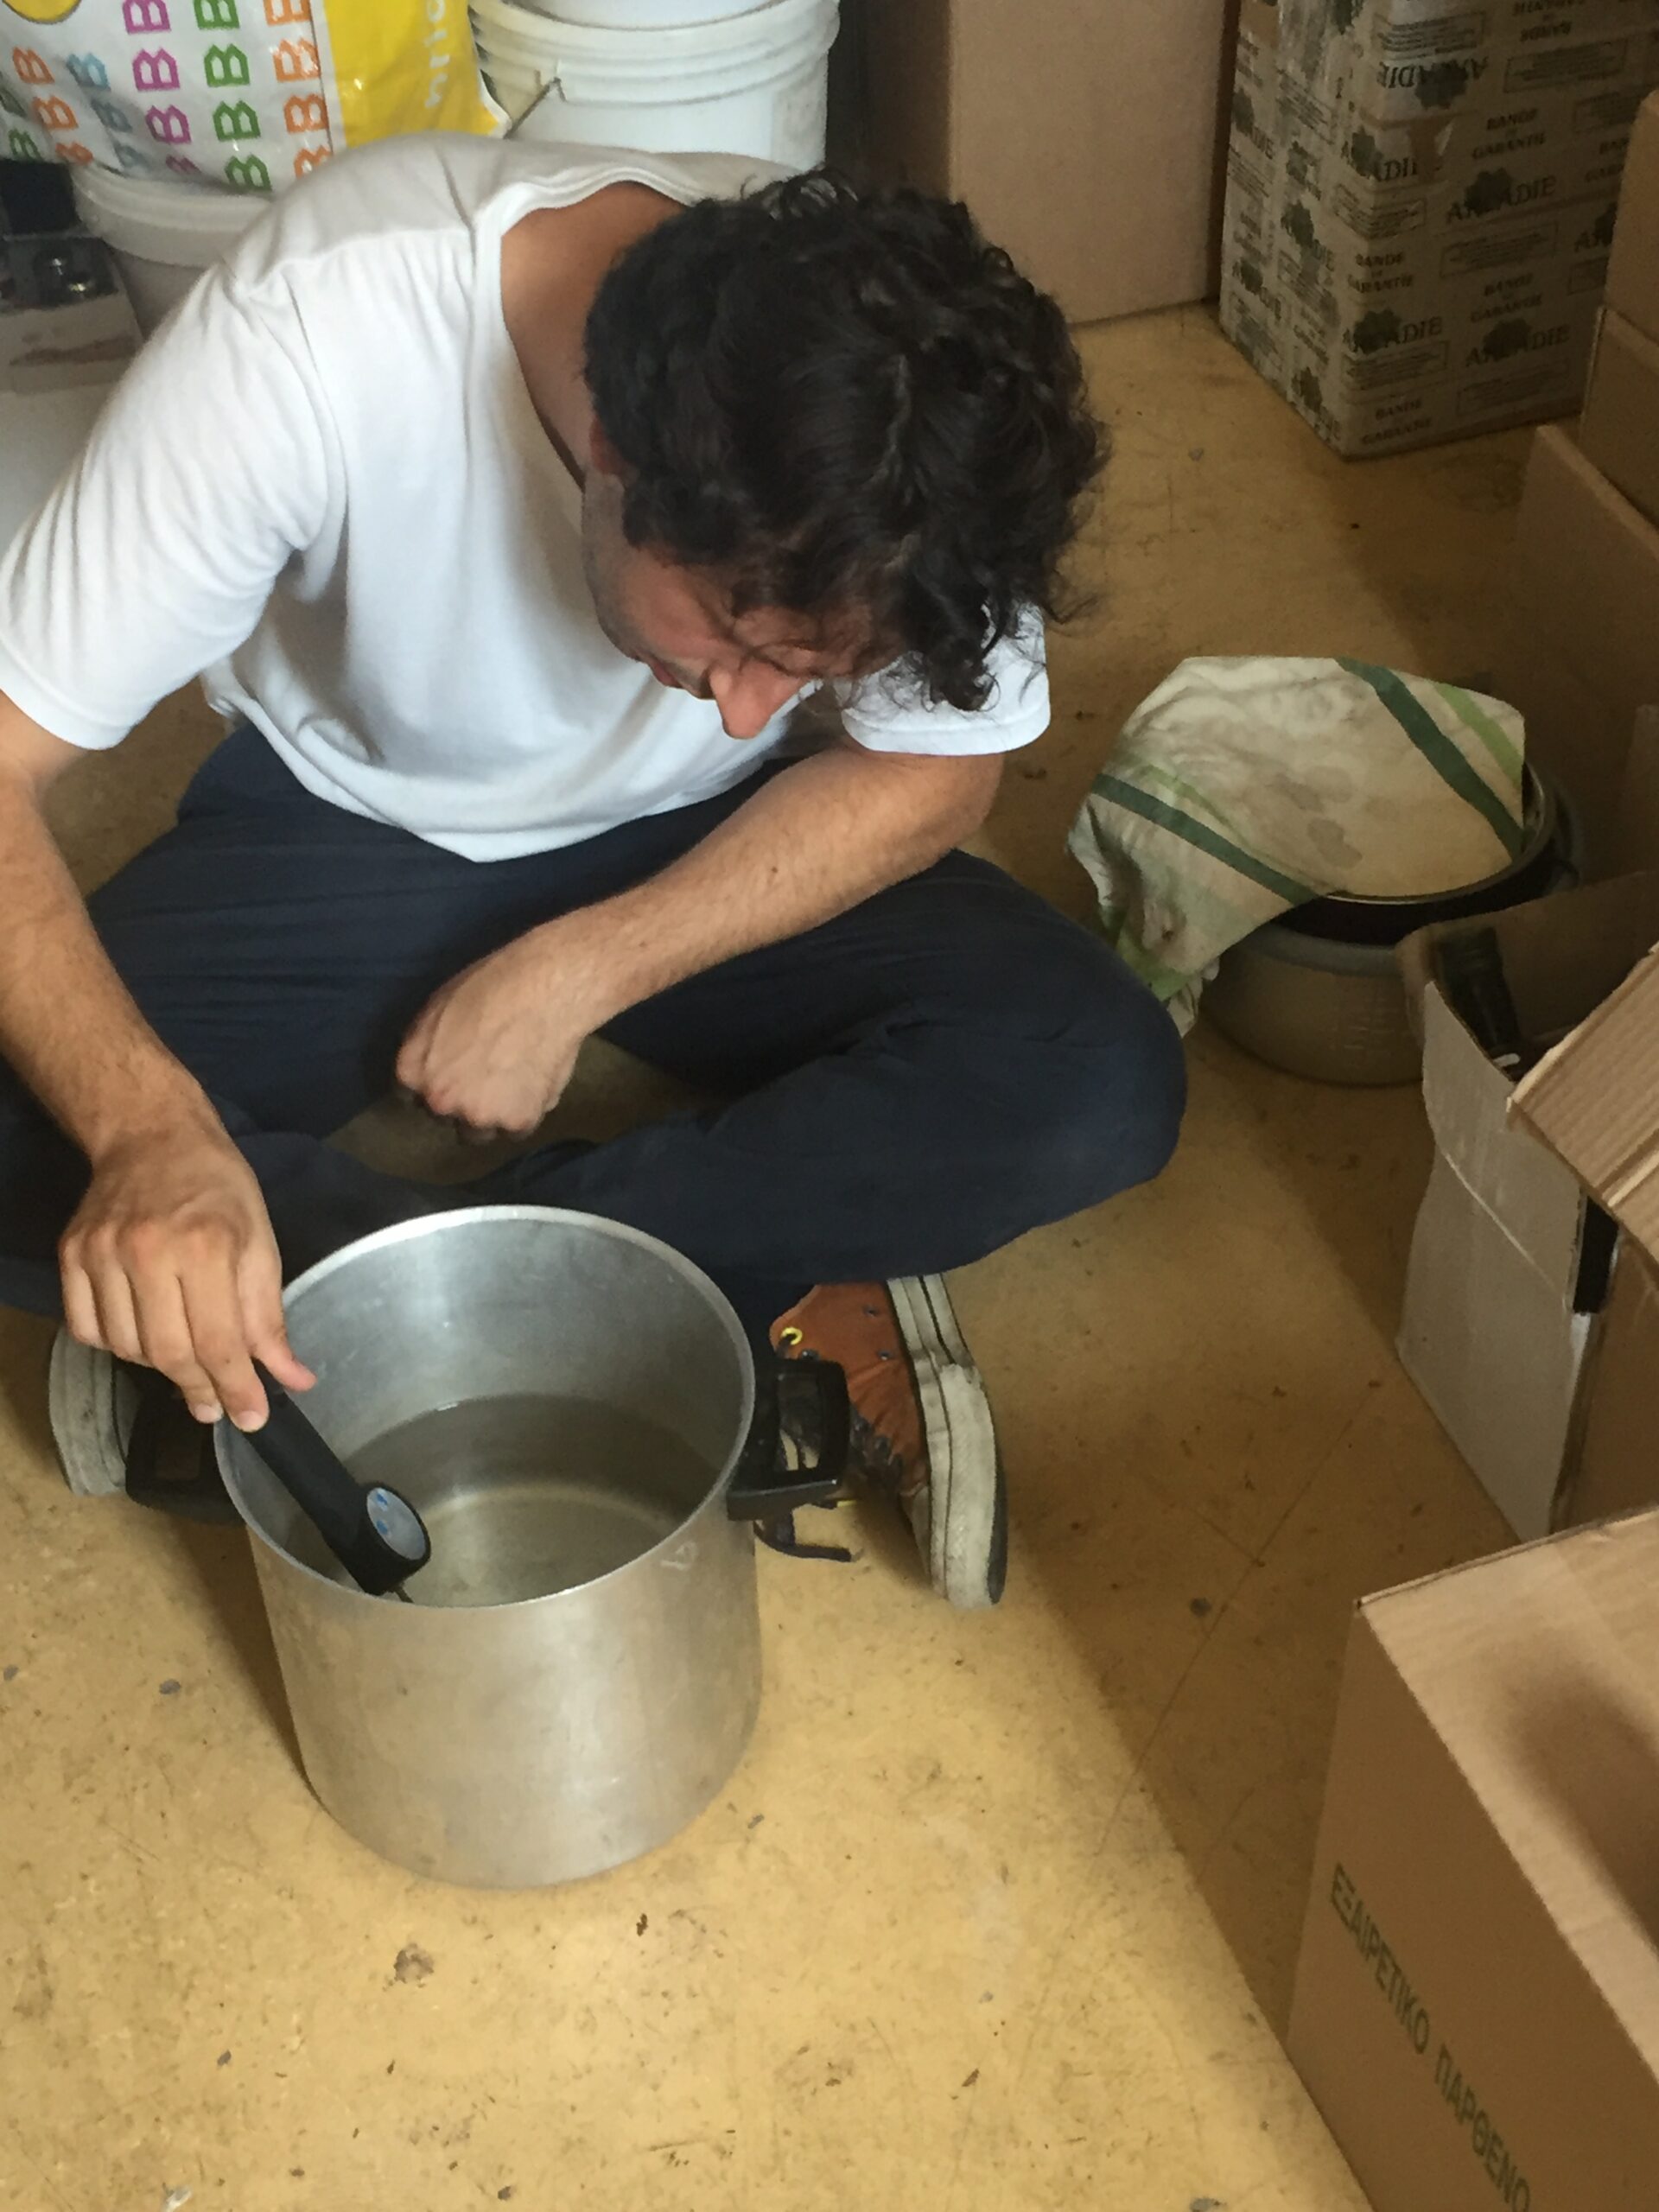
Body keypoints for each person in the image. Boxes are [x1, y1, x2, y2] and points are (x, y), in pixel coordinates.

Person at [0, 137, 1185, 1610]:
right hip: (355, 817)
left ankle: (283, 1314)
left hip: (716, 836)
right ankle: (733, 1268)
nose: (754, 707)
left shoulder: (905, 423)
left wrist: (588, 963)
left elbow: (936, 769)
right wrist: (148, 1138)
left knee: (1094, 1077)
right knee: (37, 1108)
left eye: (809, 672)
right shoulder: (310, 333)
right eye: (735, 640)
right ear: (612, 451)